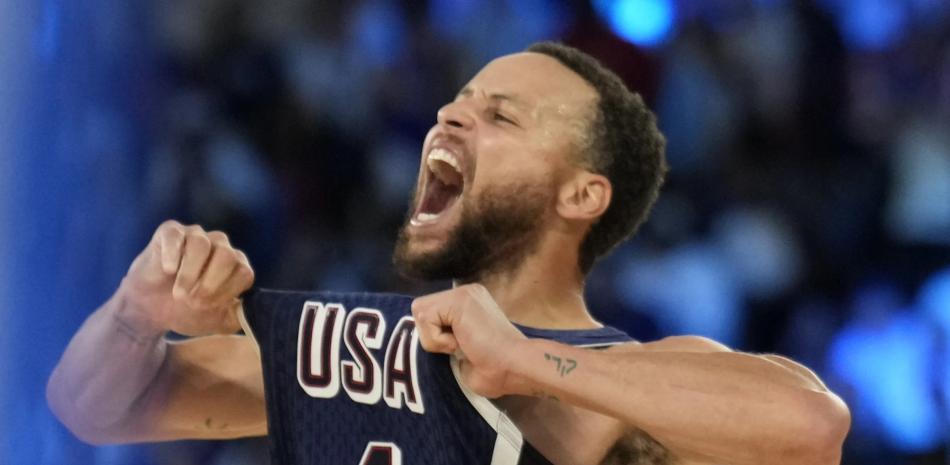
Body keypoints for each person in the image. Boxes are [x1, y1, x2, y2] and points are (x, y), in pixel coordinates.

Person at [47, 42, 850, 465]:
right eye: (457, 103)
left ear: (581, 195)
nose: (450, 117)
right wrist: (134, 314)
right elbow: (93, 406)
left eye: (500, 117)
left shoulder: (620, 385)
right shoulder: (361, 351)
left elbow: (811, 428)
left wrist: (529, 363)